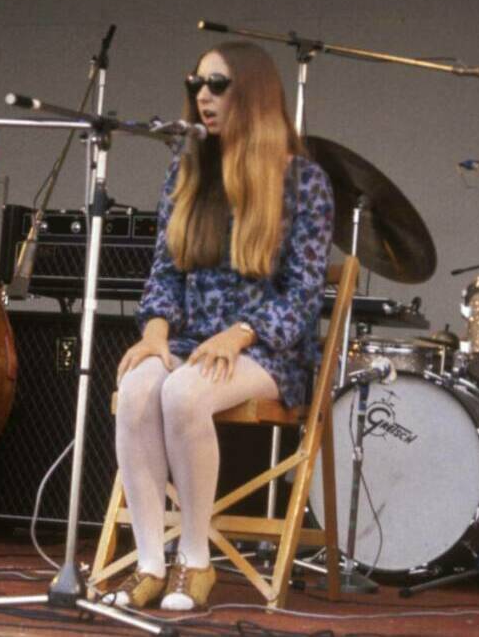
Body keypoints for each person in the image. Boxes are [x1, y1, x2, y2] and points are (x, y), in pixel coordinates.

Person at [108, 42, 334, 614]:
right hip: (189, 339)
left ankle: (196, 559)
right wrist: (155, 333)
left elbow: (305, 295)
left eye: (217, 84)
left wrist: (240, 334)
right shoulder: (187, 168)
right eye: (197, 84)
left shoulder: (303, 181)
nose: (203, 96)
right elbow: (165, 269)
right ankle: (150, 564)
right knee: (137, 388)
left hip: (267, 348)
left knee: (183, 393)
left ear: (253, 95)